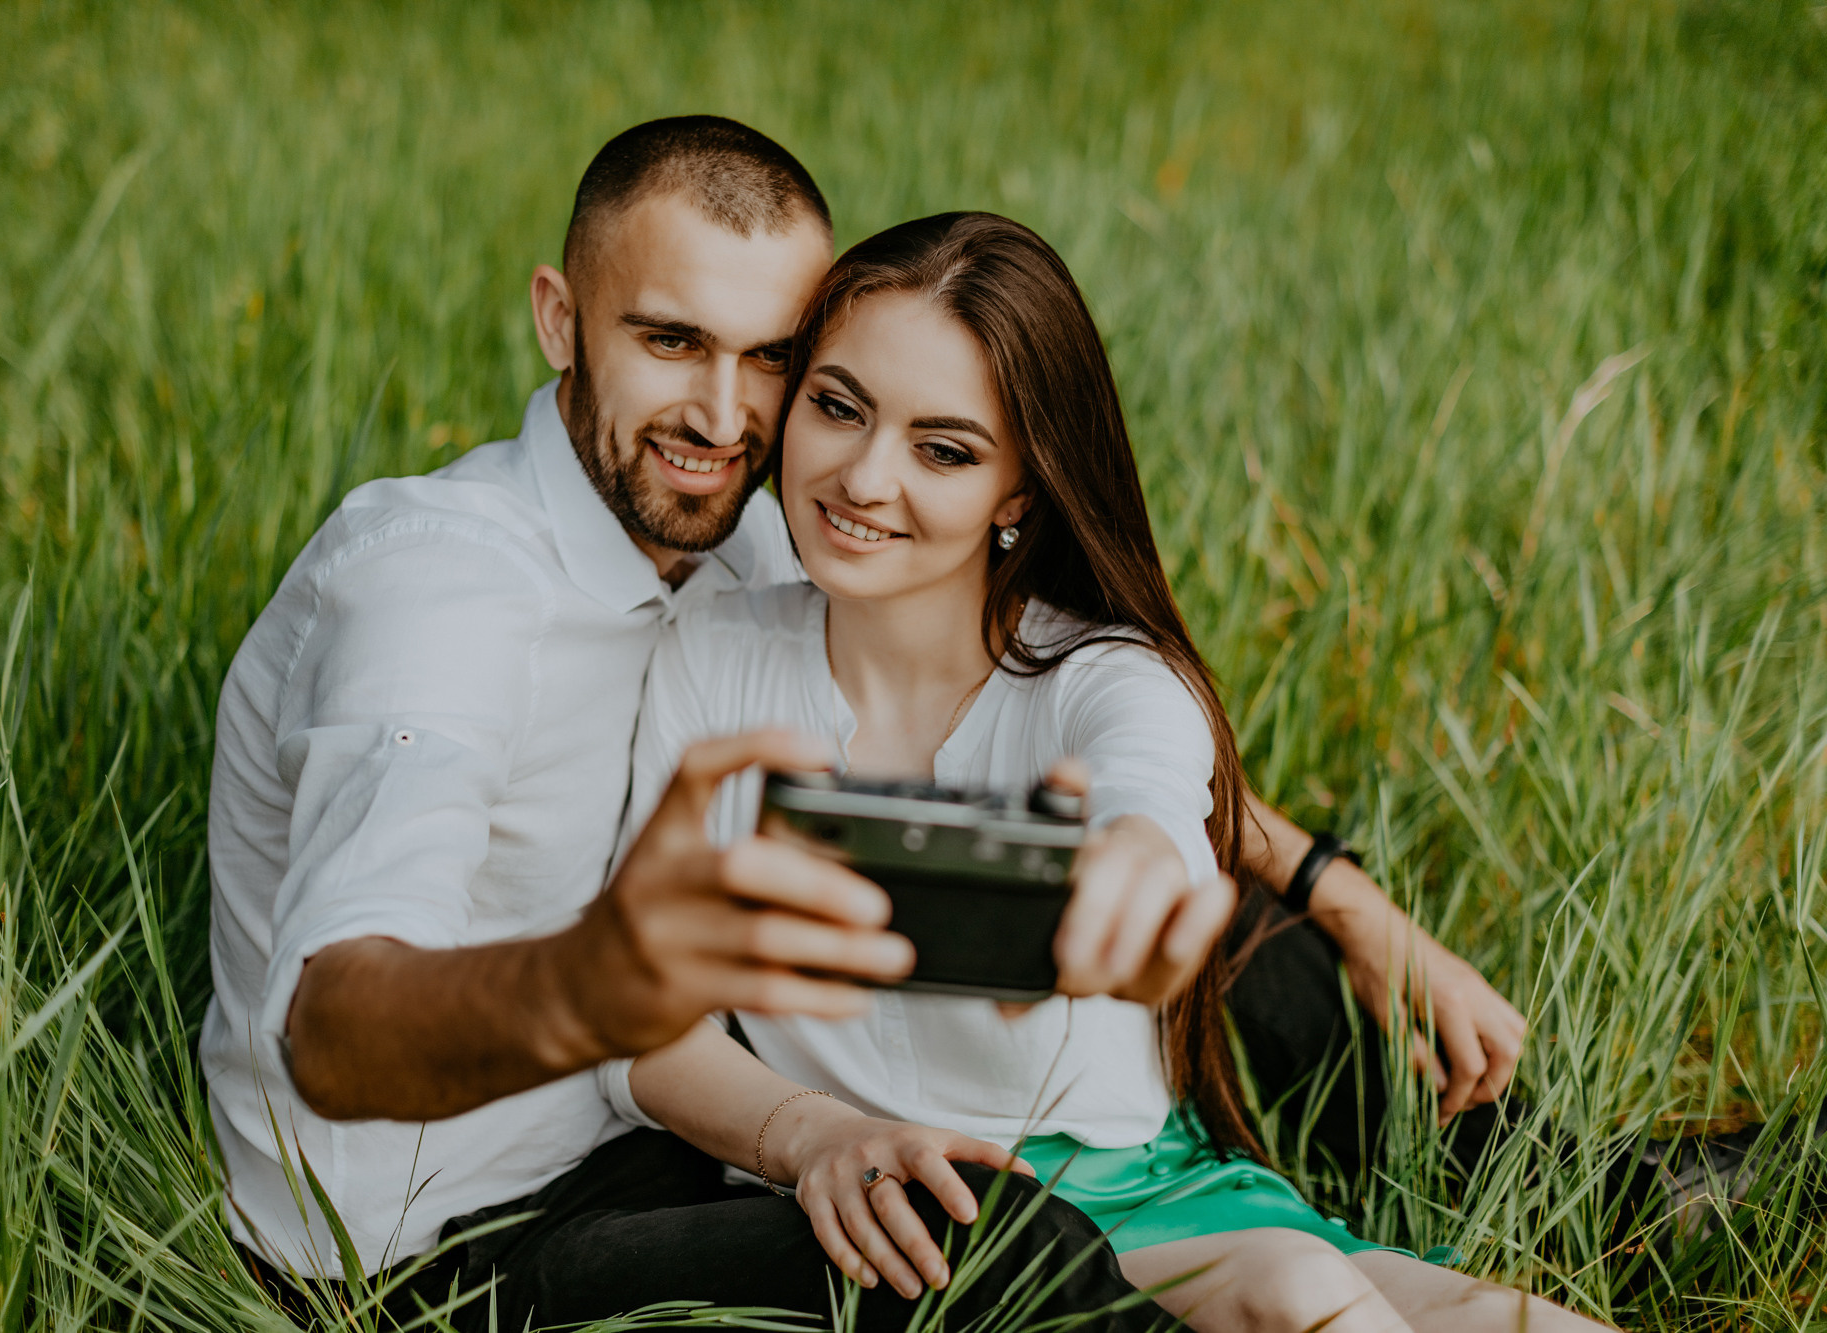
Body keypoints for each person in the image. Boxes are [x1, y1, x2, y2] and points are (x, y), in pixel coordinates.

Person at [200, 116, 1155, 1330]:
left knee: (1252, 972)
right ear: (560, 319)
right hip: (434, 1251)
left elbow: (1059, 690)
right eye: (669, 340)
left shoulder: (747, 525)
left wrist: (1324, 885)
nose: (719, 417)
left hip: (675, 1136)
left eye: (769, 358)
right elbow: (328, 1028)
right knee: (986, 1246)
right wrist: (588, 986)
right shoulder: (437, 597)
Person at [610, 211, 1619, 1332]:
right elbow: (647, 1022)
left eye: (943, 449)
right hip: (915, 1210)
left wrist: (1136, 871)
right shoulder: (706, 657)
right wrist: (815, 1136)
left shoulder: (1105, 676)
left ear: (1020, 493)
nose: (861, 476)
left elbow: (1155, 802)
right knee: (1295, 1291)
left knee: (1495, 1318)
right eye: (837, 407)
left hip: (1139, 1185)